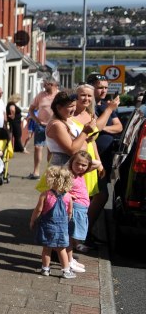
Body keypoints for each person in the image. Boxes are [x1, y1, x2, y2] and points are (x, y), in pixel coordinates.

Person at [85, 74, 123, 239]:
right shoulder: (89, 107)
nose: (104, 90)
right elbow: (94, 128)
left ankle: (86, 231)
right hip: (91, 158)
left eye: (106, 87)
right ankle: (83, 233)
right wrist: (102, 124)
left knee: (95, 195)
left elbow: (119, 127)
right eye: (100, 87)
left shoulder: (106, 106)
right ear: (91, 87)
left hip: (104, 159)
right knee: (99, 195)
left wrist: (103, 128)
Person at [30, 166, 76, 279]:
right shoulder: (68, 196)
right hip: (62, 227)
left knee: (46, 248)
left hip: (47, 226)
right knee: (62, 249)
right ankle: (66, 270)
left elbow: (39, 210)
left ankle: (45, 268)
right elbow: (70, 212)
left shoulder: (45, 195)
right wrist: (67, 221)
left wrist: (32, 220)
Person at [64, 151, 98, 274]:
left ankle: (70, 259)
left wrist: (85, 161)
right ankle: (67, 261)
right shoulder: (68, 174)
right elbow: (60, 189)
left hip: (81, 210)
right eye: (77, 163)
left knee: (72, 237)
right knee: (70, 236)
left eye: (84, 165)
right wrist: (68, 195)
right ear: (71, 162)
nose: (80, 167)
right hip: (75, 209)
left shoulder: (80, 173)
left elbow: (97, 163)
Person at [27, 78, 60, 179]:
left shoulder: (59, 95)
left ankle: (49, 173)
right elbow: (31, 109)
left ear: (52, 84)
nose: (44, 86)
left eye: (45, 84)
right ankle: (36, 172)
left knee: (51, 150)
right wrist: (36, 120)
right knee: (38, 147)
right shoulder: (41, 95)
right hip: (41, 126)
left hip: (54, 126)